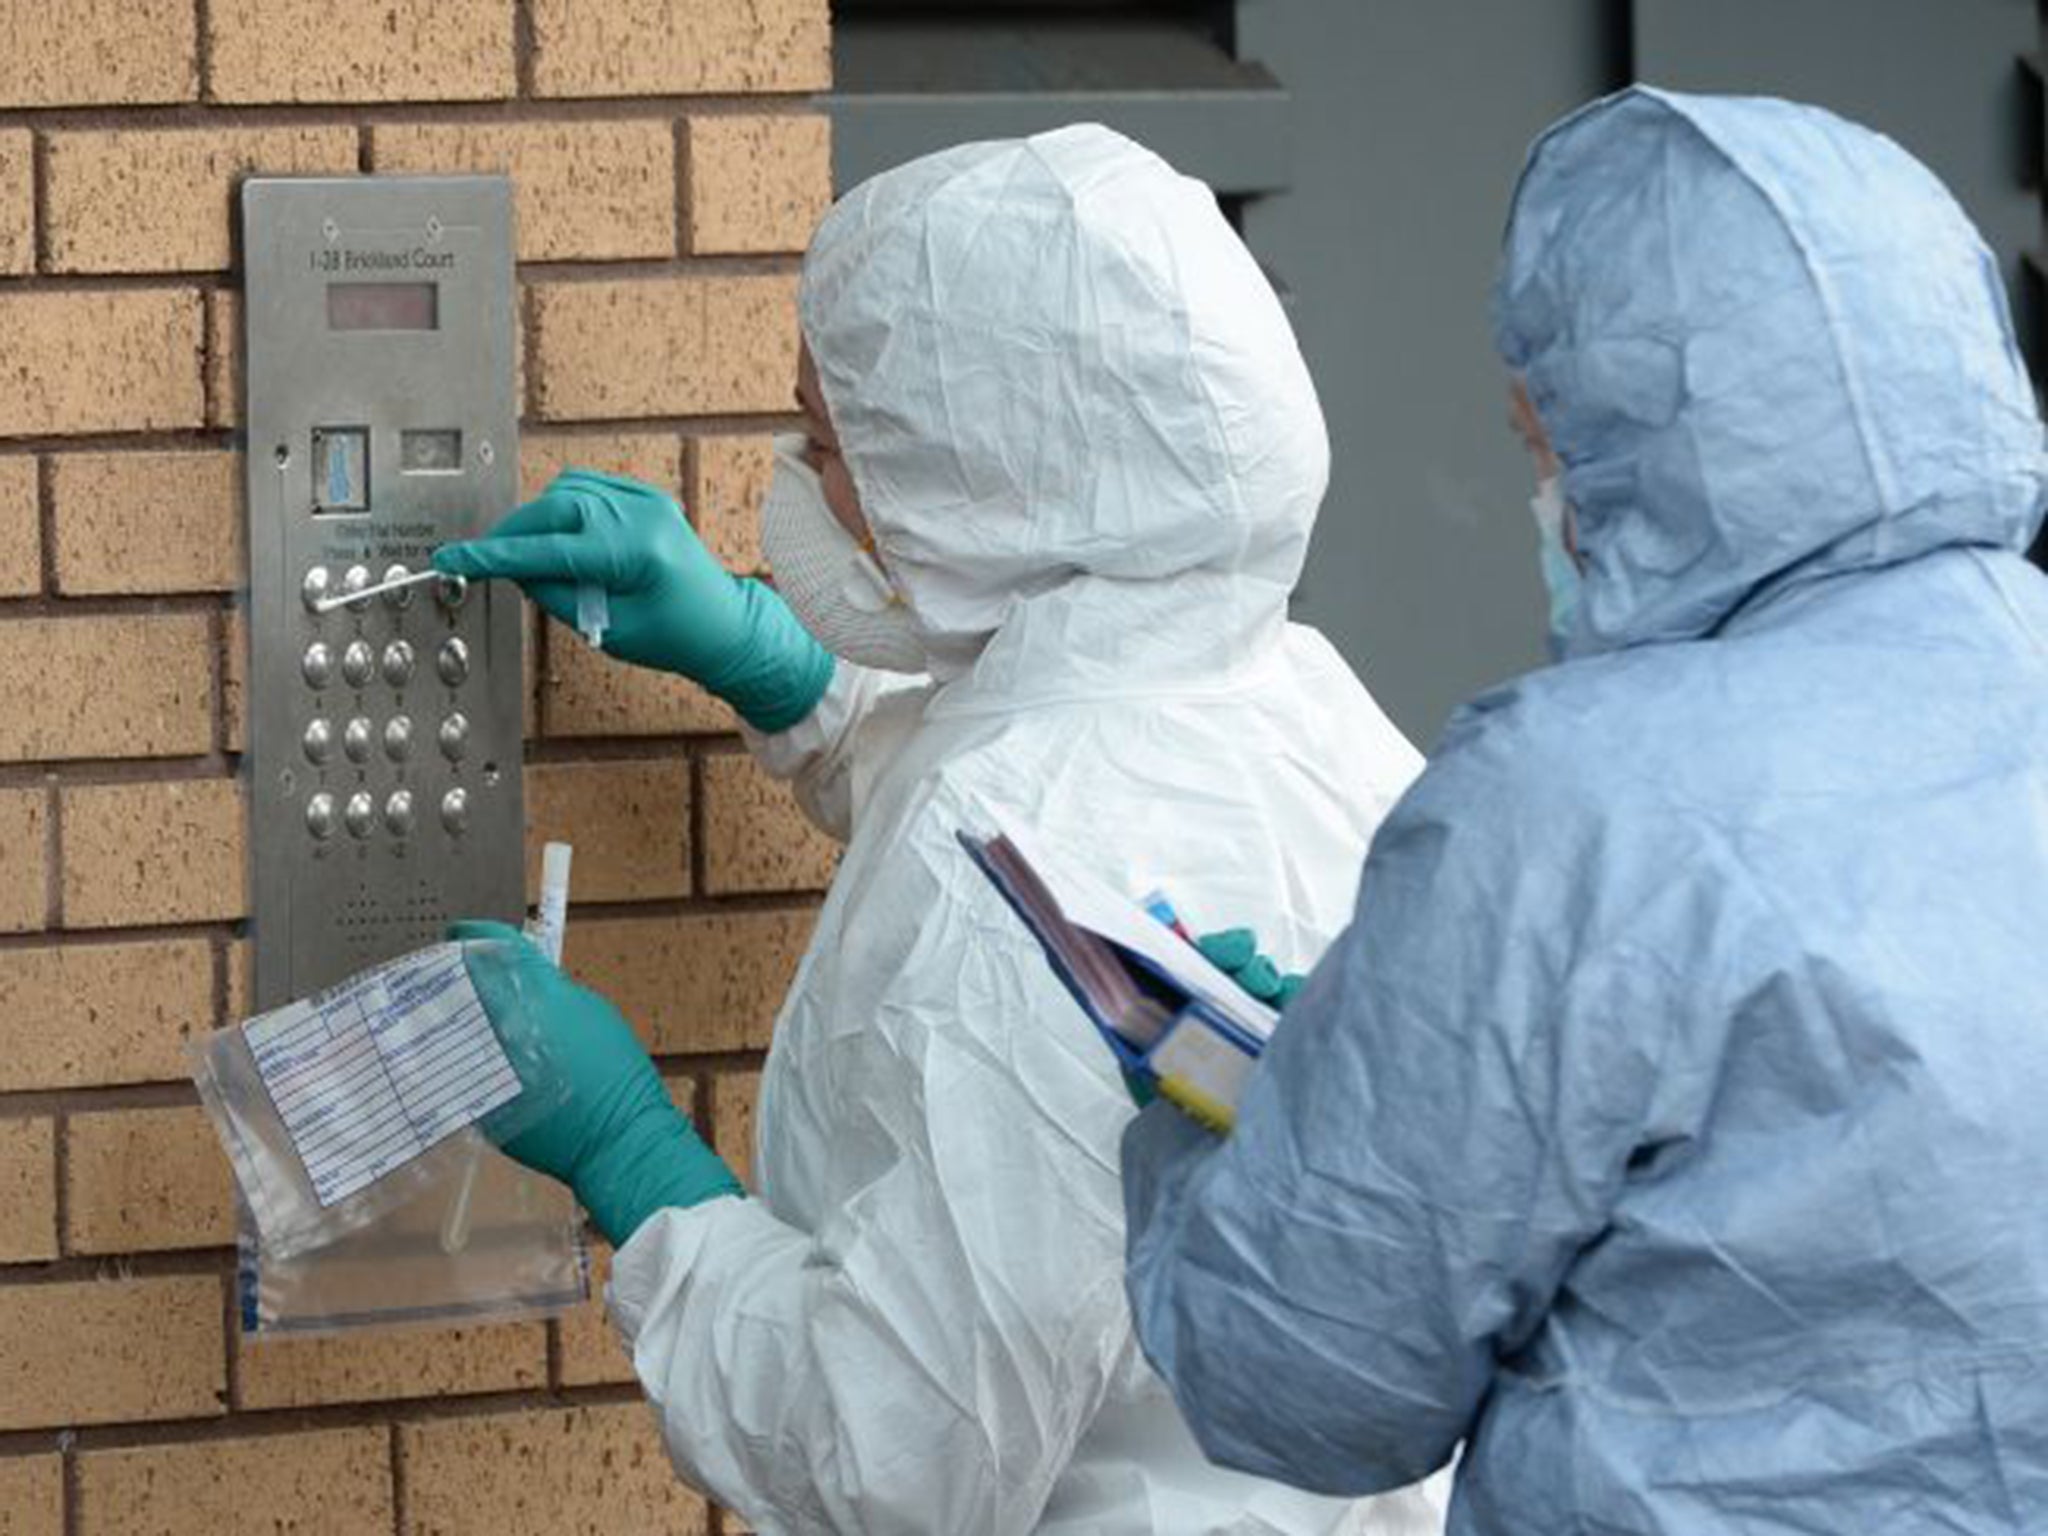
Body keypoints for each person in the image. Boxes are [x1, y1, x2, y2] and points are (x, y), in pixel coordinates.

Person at [437, 125, 1444, 1534]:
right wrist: (780, 667)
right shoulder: (1293, 701)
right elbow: (1054, 803)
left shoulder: (1006, 873)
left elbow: (899, 1459)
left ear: (993, 481)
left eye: (835, 446)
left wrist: (640, 1167)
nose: (801, 483)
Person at [1118, 86, 2048, 1534]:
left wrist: (1216, 1136)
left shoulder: (1568, 806)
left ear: (1642, 444)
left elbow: (1307, 1379)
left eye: (1546, 443)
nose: (1548, 496)